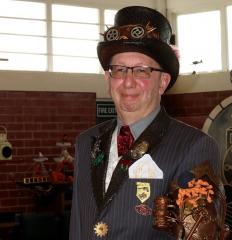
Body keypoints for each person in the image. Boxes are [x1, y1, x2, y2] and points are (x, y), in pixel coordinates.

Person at [69, 6, 221, 240]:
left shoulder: (194, 147)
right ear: (108, 79)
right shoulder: (85, 142)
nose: (128, 82)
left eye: (141, 71)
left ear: (162, 82)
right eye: (119, 70)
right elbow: (79, 226)